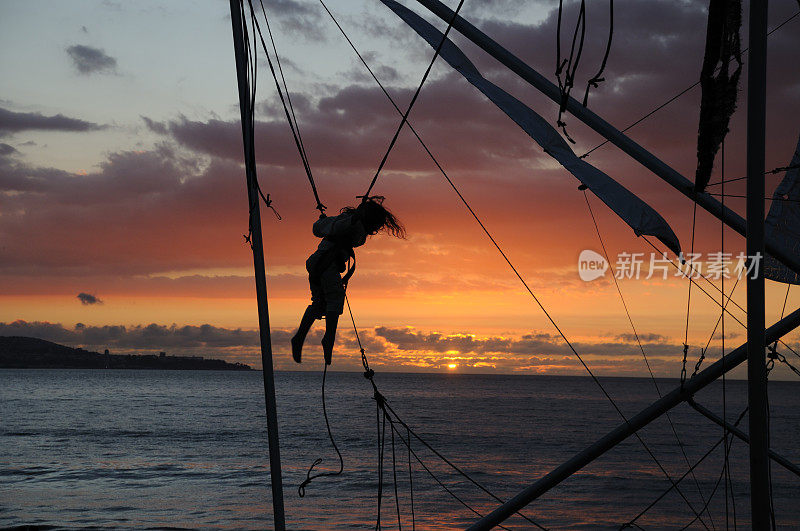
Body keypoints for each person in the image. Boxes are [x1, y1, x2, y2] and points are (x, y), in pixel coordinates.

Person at [291, 196, 405, 365]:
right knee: (335, 300)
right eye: (376, 226)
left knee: (319, 304)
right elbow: (319, 229)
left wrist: (337, 223)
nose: (376, 230)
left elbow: (328, 230)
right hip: (324, 264)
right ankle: (329, 339)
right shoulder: (349, 222)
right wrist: (349, 220)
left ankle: (299, 337)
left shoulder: (353, 225)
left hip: (320, 265)